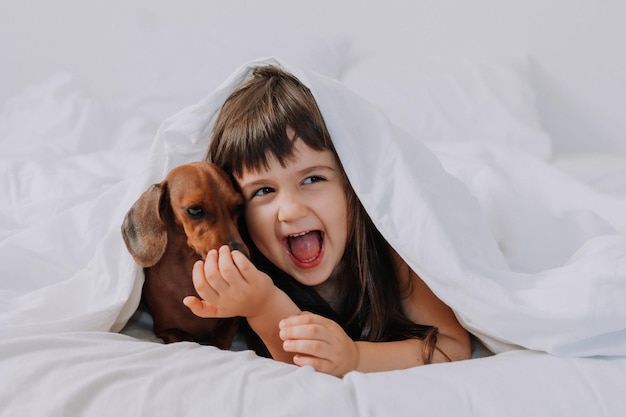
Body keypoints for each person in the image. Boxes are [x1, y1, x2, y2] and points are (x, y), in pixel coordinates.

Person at [183, 65, 471, 377]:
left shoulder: (395, 245)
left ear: (351, 182)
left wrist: (357, 357)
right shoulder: (254, 271)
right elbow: (300, 365)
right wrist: (263, 305)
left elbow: (453, 348)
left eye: (312, 179)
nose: (290, 210)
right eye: (264, 190)